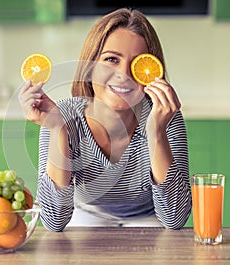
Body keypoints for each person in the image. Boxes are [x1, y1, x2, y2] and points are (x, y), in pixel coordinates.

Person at [19, 7, 192, 231]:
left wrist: (157, 133)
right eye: (111, 59)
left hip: (148, 221)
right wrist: (58, 130)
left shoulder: (164, 116)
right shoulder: (61, 117)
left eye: (138, 63)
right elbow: (53, 221)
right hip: (84, 216)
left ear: (151, 73)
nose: (124, 74)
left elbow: (175, 219)